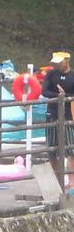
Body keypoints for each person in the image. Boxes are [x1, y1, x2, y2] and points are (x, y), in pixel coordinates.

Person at [40, 50, 74, 190]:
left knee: (71, 149)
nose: (58, 65)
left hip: (68, 115)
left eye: (60, 62)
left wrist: (65, 96)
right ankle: (58, 180)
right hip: (52, 114)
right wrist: (59, 96)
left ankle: (71, 182)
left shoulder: (72, 76)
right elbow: (44, 91)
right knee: (51, 149)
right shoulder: (51, 74)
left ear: (67, 61)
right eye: (56, 62)